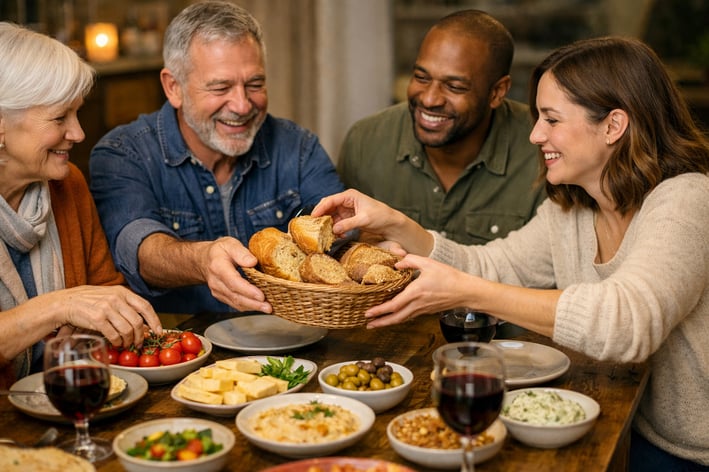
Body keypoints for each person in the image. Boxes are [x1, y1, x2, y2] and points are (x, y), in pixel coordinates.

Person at [313, 37, 709, 470]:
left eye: (551, 119)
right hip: (625, 423)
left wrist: (467, 291)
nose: (536, 134)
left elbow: (627, 323)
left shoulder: (687, 199)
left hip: (687, 453)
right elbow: (492, 266)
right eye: (538, 116)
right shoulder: (572, 211)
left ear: (614, 126)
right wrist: (396, 224)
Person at [89, 1, 344, 314]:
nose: (241, 105)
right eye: (221, 87)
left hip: (292, 348)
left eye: (255, 84)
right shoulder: (123, 153)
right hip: (182, 351)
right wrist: (201, 260)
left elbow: (341, 235)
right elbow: (138, 250)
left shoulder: (298, 146)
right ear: (174, 88)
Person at [0, 23, 162, 389]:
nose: (78, 133)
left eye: (76, 114)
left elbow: (104, 295)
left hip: (63, 406)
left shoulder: (67, 184)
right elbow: (74, 302)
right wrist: (57, 307)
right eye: (60, 118)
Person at [337, 9, 545, 245]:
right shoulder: (366, 142)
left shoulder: (543, 150)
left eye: (454, 86)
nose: (429, 99)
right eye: (421, 77)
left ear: (497, 92)